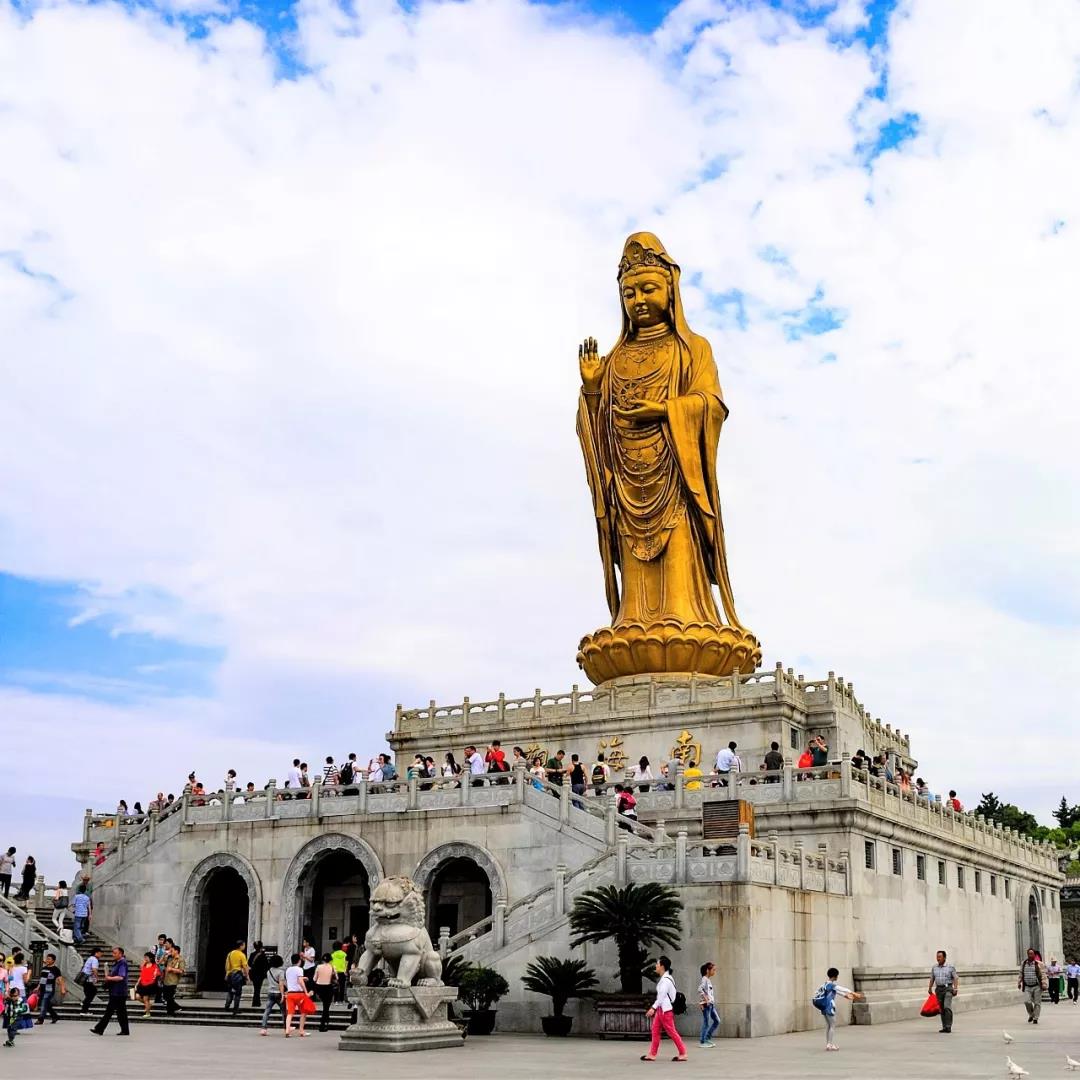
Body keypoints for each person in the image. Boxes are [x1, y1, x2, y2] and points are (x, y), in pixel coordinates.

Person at [641, 955, 686, 1062]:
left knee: (671, 1032)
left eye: (657, 964)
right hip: (662, 1010)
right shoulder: (666, 978)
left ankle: (683, 1053)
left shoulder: (666, 980)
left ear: (662, 966)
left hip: (666, 1011)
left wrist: (653, 1008)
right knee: (655, 1031)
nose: (656, 966)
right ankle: (652, 1054)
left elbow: (661, 996)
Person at [814, 966, 862, 1050]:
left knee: (829, 1025)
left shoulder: (825, 984)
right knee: (832, 1025)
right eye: (837, 976)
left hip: (824, 1007)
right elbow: (842, 989)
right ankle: (830, 1044)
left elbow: (838, 991)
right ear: (835, 976)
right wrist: (854, 993)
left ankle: (829, 1044)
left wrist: (847, 996)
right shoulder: (831, 985)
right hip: (829, 1007)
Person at [91, 946, 130, 1035]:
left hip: (118, 992)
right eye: (113, 953)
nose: (113, 955)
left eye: (115, 953)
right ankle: (125, 1030)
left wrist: (109, 978)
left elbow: (121, 977)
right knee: (121, 1012)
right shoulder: (117, 963)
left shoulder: (122, 963)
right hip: (117, 991)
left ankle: (99, 1028)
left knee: (109, 1011)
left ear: (121, 954)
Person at [928, 949, 958, 1033]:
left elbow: (955, 978)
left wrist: (955, 988)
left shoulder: (950, 967)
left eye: (940, 957)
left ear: (944, 958)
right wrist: (930, 988)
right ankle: (944, 1027)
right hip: (939, 989)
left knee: (946, 1007)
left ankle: (948, 1026)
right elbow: (932, 978)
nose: (938, 958)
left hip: (948, 988)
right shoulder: (934, 967)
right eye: (937, 957)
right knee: (941, 1009)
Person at [283, 953, 310, 1037]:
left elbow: (290, 980)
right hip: (299, 994)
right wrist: (306, 991)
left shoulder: (288, 970)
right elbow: (300, 981)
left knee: (290, 1013)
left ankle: (287, 1030)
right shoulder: (299, 969)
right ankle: (301, 1030)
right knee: (303, 1012)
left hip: (290, 993)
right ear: (299, 961)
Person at [35, 952, 65, 1025]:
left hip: (49, 989)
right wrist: (38, 987)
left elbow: (60, 980)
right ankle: (55, 1016)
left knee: (44, 1003)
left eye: (49, 959)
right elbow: (42, 979)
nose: (47, 960)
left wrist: (62, 989)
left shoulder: (56, 969)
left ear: (53, 961)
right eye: (46, 959)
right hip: (42, 989)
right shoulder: (44, 968)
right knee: (46, 1004)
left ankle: (40, 1019)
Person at [1018, 947, 1047, 1024]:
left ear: (1034, 954)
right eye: (1029, 953)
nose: (1030, 955)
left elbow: (1043, 975)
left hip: (1037, 986)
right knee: (1027, 1001)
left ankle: (1035, 1018)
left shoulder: (1039, 964)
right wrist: (1019, 982)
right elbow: (1021, 973)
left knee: (1037, 1003)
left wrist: (1044, 984)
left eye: (1031, 953)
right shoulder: (1023, 963)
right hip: (1027, 986)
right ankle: (1031, 1014)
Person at [260, 953, 286, 1035]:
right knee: (284, 1011)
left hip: (270, 992)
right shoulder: (281, 972)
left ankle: (263, 1028)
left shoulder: (269, 971)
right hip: (278, 993)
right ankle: (286, 1027)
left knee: (267, 1011)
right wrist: (282, 995)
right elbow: (281, 984)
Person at [224, 939, 249, 1015]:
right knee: (238, 993)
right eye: (244, 945)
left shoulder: (230, 954)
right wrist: (247, 976)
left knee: (230, 991)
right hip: (237, 975)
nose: (244, 946)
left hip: (230, 975)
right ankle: (235, 1009)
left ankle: (227, 1006)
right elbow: (245, 966)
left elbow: (227, 965)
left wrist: (227, 974)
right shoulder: (241, 955)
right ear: (241, 946)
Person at [698, 961, 719, 1047]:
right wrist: (706, 999)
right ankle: (703, 1041)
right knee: (706, 1023)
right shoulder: (704, 979)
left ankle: (707, 1038)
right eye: (713, 970)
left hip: (711, 1004)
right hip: (707, 1005)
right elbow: (700, 989)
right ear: (707, 970)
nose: (714, 972)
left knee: (717, 1021)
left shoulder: (708, 980)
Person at [313, 953, 336, 1031]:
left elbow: (314, 979)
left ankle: (324, 1023)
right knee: (326, 1007)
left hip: (320, 987)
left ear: (323, 959)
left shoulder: (319, 967)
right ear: (330, 960)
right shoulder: (332, 967)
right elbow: (337, 978)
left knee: (325, 1006)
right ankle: (323, 1024)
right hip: (328, 987)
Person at [161, 943, 184, 1016]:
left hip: (173, 981)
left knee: (170, 997)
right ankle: (176, 1007)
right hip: (166, 980)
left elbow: (181, 971)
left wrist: (172, 969)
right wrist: (165, 956)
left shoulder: (180, 960)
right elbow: (161, 963)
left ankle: (170, 1012)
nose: (171, 952)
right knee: (166, 997)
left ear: (176, 951)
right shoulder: (170, 958)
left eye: (172, 951)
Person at [135, 951, 159, 1018]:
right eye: (144, 957)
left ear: (150, 958)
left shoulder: (154, 966)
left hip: (149, 984)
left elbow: (156, 975)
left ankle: (148, 1013)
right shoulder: (144, 965)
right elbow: (141, 974)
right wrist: (137, 982)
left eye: (146, 957)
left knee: (146, 999)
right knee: (137, 996)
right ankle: (148, 1005)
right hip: (142, 983)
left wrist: (152, 980)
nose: (145, 959)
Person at [79, 948, 101, 1013]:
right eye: (100, 953)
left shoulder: (90, 958)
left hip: (84, 979)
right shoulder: (94, 960)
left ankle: (84, 1005)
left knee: (89, 993)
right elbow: (94, 969)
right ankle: (84, 1009)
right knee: (93, 992)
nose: (101, 955)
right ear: (96, 953)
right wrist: (96, 978)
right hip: (87, 979)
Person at [249, 941, 268, 1009]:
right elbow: (266, 965)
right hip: (260, 975)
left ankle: (256, 1002)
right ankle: (256, 1002)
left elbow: (249, 963)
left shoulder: (252, 954)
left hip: (254, 974)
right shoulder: (263, 955)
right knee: (258, 988)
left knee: (256, 988)